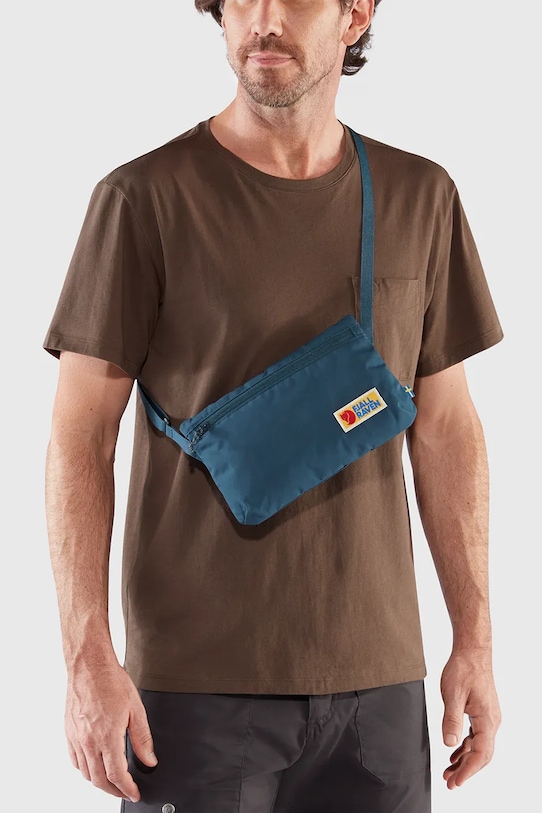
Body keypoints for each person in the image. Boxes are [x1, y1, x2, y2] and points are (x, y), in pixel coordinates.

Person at [43, 1, 503, 811]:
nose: (261, 20)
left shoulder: (420, 196)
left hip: (381, 687)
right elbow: (79, 437)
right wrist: (86, 658)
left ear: (354, 14)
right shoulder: (142, 199)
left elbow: (448, 430)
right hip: (194, 690)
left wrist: (475, 638)